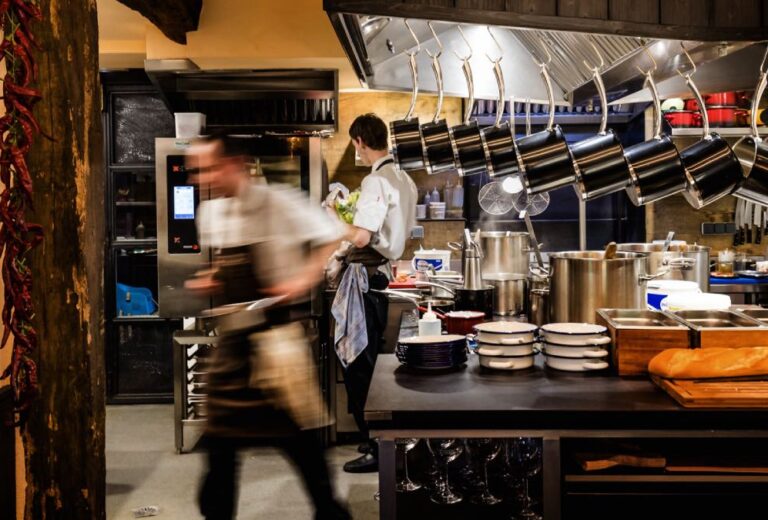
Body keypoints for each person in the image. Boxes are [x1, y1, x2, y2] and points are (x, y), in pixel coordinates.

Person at [185, 134, 349, 520]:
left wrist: (300, 281)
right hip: (232, 347)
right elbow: (225, 265)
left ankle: (331, 514)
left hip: (278, 347)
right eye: (195, 170)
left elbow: (332, 238)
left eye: (207, 168)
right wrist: (211, 277)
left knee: (305, 451)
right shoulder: (210, 213)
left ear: (235, 164)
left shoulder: (279, 201)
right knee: (219, 453)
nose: (199, 178)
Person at [329, 113, 418, 473]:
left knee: (359, 368)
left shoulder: (376, 180)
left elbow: (363, 236)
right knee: (369, 365)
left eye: (356, 145)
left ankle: (375, 449)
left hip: (365, 281)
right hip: (380, 278)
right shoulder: (405, 179)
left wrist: (334, 218)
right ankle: (382, 444)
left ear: (360, 142)